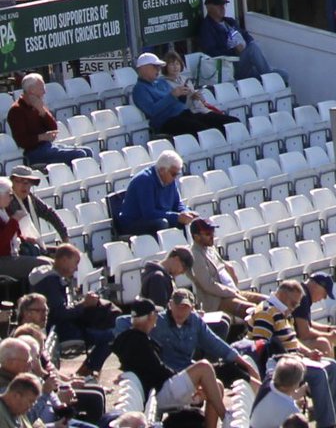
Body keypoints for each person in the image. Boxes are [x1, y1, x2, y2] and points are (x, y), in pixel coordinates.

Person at [248, 282, 336, 428]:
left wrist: (308, 353)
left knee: (331, 365)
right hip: (279, 365)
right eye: (293, 304)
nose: (294, 308)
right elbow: (261, 348)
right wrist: (295, 358)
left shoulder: (284, 311)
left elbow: (292, 340)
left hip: (293, 358)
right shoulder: (266, 312)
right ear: (282, 295)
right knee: (318, 373)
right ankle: (327, 424)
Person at [113, 299, 228, 428]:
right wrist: (190, 383)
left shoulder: (131, 338)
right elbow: (157, 371)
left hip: (159, 390)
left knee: (217, 385)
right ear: (151, 316)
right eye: (155, 314)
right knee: (204, 367)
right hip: (159, 392)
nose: (157, 317)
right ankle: (226, 418)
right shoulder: (138, 341)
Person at [31, 244, 118, 379]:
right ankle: (87, 371)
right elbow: (60, 314)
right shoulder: (51, 282)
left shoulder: (52, 278)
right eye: (75, 263)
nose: (77, 268)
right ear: (64, 259)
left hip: (64, 326)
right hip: (62, 331)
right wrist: (84, 304)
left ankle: (87, 370)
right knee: (111, 336)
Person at [151, 288, 261, 391]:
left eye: (185, 307)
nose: (181, 311)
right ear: (170, 305)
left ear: (192, 308)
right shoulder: (157, 321)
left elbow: (216, 344)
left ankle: (262, 392)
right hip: (168, 377)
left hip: (189, 370)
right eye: (178, 306)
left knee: (232, 369)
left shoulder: (195, 321)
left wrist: (247, 365)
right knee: (207, 372)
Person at [130, 52, 237, 138]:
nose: (158, 69)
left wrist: (185, 95)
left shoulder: (160, 83)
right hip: (167, 122)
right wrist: (172, 95)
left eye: (159, 67)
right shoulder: (139, 89)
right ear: (143, 69)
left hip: (184, 114)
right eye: (155, 67)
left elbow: (177, 102)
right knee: (205, 131)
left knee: (228, 123)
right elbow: (151, 111)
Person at [6, 74, 93, 167]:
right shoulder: (16, 110)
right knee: (79, 154)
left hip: (48, 146)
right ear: (31, 90)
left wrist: (42, 111)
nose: (44, 92)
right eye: (41, 88)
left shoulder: (38, 104)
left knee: (88, 151)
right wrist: (41, 137)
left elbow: (53, 127)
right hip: (33, 153)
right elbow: (22, 141)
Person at [197, 0, 287, 82]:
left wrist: (243, 45)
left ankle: (268, 77)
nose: (222, 8)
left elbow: (247, 36)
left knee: (283, 74)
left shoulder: (230, 22)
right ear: (209, 7)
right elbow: (210, 53)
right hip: (231, 68)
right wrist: (234, 50)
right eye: (218, 5)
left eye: (223, 5)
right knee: (252, 49)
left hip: (245, 63)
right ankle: (269, 78)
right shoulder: (207, 28)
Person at [189, 217, 262, 318]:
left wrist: (229, 270)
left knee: (267, 302)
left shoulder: (210, 248)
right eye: (207, 234)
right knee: (254, 310)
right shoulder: (195, 255)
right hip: (216, 300)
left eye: (212, 232)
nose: (212, 236)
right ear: (196, 237)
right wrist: (232, 293)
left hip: (231, 292)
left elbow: (222, 267)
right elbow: (208, 285)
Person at [114, 150, 197, 237]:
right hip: (134, 222)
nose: (175, 177)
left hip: (154, 217)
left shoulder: (170, 180)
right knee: (162, 223)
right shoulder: (145, 180)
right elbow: (149, 213)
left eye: (177, 174)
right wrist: (177, 217)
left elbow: (178, 204)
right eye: (173, 174)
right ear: (162, 170)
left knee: (188, 218)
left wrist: (186, 213)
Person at [292, 274, 336, 359]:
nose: (325, 298)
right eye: (325, 293)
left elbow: (307, 323)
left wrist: (329, 329)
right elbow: (304, 333)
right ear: (317, 286)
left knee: (326, 341)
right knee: (323, 343)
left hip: (290, 339)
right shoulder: (302, 296)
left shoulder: (304, 293)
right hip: (284, 342)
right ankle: (328, 372)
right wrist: (329, 336)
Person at [0, 177, 43, 286]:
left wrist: (25, 239)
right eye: (9, 195)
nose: (11, 198)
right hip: (3, 259)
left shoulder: (5, 211)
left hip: (12, 255)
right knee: (44, 265)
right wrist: (14, 221)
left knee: (49, 258)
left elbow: (15, 235)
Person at [162, 52, 230, 118]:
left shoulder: (185, 79)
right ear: (166, 67)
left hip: (202, 110)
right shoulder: (164, 83)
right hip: (188, 115)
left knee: (231, 120)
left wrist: (197, 97)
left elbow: (197, 99)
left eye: (177, 64)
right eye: (171, 64)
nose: (175, 67)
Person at [248, 357, 307, 428]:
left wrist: (294, 359)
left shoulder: (268, 382)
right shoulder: (292, 409)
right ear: (295, 384)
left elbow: (272, 359)